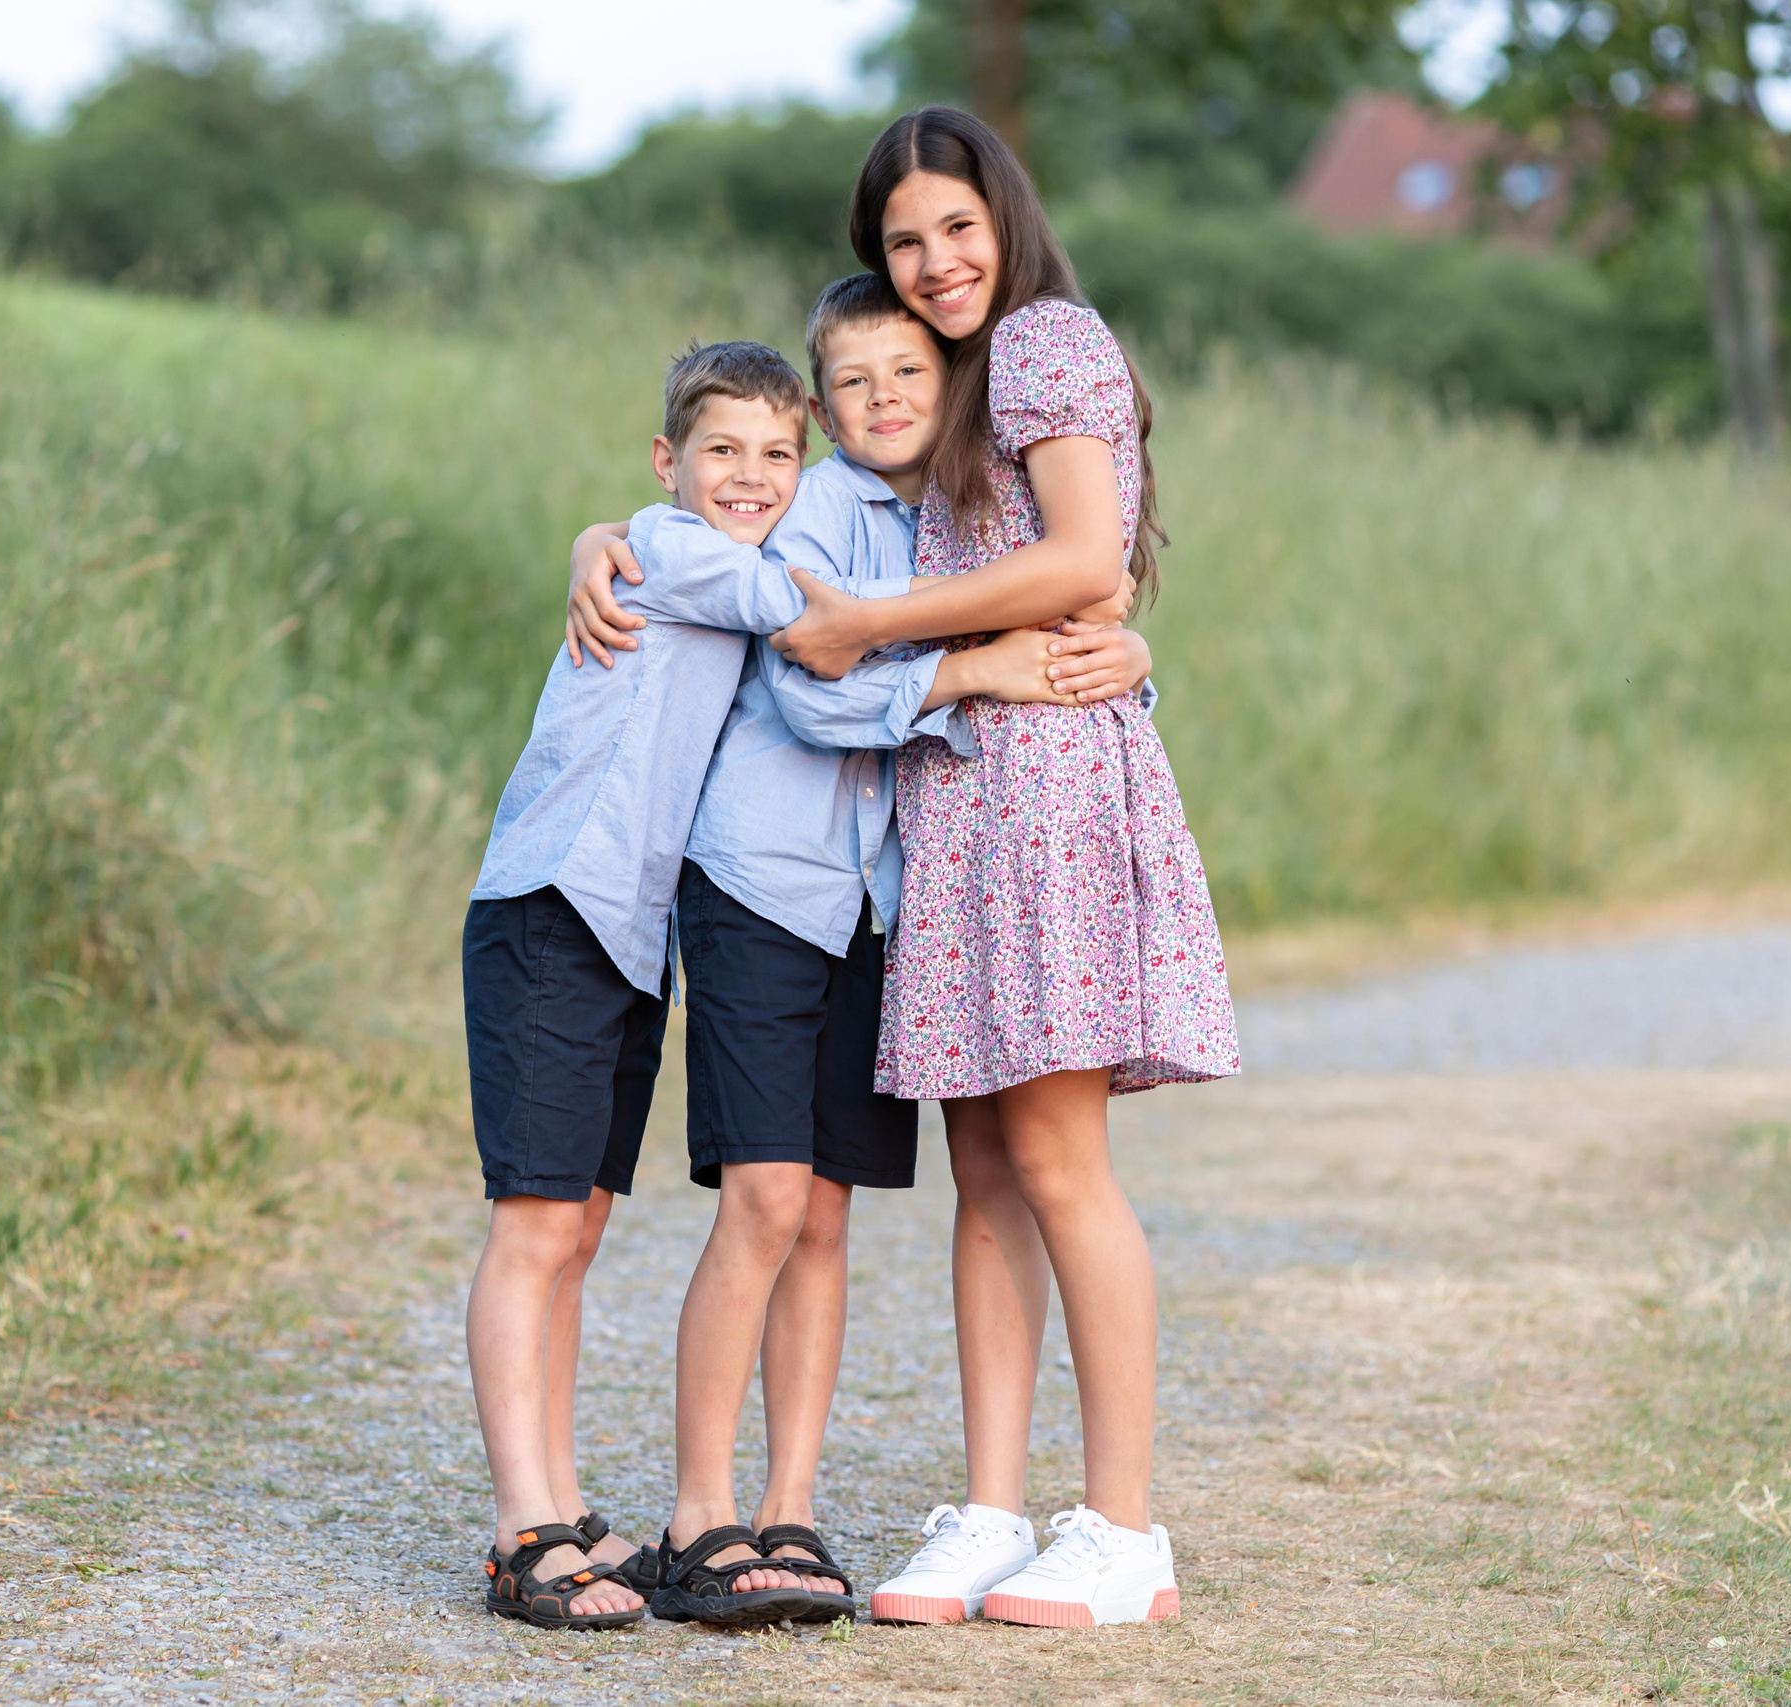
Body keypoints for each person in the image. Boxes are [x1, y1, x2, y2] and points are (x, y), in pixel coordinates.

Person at [561, 274, 1156, 1626]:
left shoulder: (957, 515)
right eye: (854, 383)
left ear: (955, 388)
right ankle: (700, 1508)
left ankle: (789, 1510)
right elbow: (805, 682)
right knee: (768, 1203)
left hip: (876, 913)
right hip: (764, 890)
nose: (884, 401)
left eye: (911, 376)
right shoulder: (824, 505)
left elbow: (1065, 623)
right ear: (825, 404)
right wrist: (970, 674)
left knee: (823, 1216)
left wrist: (1126, 667)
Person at [769, 106, 1242, 1630]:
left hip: (1044, 796)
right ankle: (987, 1512)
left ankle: (1125, 1528)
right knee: (983, 1177)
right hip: (961, 806)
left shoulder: (1045, 340)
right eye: (905, 242)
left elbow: (1088, 561)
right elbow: (737, 487)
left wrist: (870, 630)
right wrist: (604, 535)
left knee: (1054, 1162)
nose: (935, 260)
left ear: (1006, 220)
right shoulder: (933, 395)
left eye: (955, 228)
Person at [459, 339, 832, 1630]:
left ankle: (557, 1505)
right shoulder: (676, 554)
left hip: (625, 935)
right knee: (534, 1226)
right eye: (721, 450)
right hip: (552, 906)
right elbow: (820, 615)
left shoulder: (691, 554)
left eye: (780, 456)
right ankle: (523, 1534)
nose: (751, 475)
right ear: (669, 464)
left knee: (580, 1229)